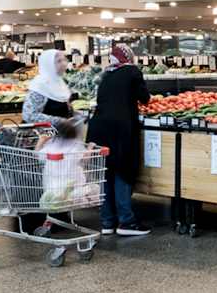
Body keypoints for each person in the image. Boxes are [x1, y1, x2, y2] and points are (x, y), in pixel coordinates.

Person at [86, 44, 151, 236]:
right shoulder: (132, 71)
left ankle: (107, 222)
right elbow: (144, 98)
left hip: (99, 127)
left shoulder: (106, 74)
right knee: (123, 170)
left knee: (107, 171)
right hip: (120, 128)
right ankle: (126, 222)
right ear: (129, 56)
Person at [21, 50, 76, 233]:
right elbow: (29, 114)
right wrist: (60, 121)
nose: (63, 63)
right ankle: (35, 223)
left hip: (56, 142)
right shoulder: (40, 85)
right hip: (38, 141)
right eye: (58, 61)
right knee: (38, 182)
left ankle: (57, 220)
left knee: (57, 180)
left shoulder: (60, 84)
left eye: (64, 59)